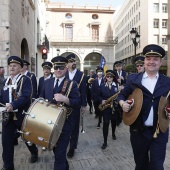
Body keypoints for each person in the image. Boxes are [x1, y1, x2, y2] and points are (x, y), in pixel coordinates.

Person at [117, 44, 170, 170]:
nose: (151, 62)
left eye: (155, 59)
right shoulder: (133, 79)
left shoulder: (167, 81)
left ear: (160, 62)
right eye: (149, 59)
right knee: (140, 165)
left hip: (159, 131)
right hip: (138, 131)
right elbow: (121, 96)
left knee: (157, 165)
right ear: (145, 61)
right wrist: (122, 104)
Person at [39, 55, 81, 170]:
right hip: (50, 123)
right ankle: (65, 166)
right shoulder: (47, 83)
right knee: (55, 149)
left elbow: (77, 102)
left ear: (66, 68)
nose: (58, 70)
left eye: (61, 67)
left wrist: (65, 99)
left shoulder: (72, 84)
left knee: (59, 155)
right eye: (56, 67)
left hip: (65, 123)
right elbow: (41, 98)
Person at [0, 56, 32, 170]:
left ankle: (34, 152)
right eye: (10, 65)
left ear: (20, 67)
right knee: (6, 143)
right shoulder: (5, 81)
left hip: (21, 115)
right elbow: (1, 97)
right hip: (7, 117)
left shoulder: (25, 80)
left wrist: (13, 105)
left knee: (27, 138)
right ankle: (8, 166)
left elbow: (25, 97)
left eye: (14, 65)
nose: (11, 67)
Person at [65, 53, 87, 158]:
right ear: (67, 64)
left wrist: (84, 105)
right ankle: (64, 143)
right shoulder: (64, 73)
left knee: (74, 127)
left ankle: (72, 147)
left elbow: (83, 90)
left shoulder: (81, 75)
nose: (73, 63)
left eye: (74, 61)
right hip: (64, 104)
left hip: (76, 104)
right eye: (70, 61)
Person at [99, 70, 120, 149]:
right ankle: (105, 141)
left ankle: (113, 133)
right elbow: (99, 95)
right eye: (108, 76)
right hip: (106, 107)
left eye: (111, 77)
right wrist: (102, 100)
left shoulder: (117, 85)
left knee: (114, 122)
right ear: (106, 77)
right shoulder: (102, 86)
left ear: (113, 78)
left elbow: (120, 95)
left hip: (114, 107)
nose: (109, 78)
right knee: (106, 124)